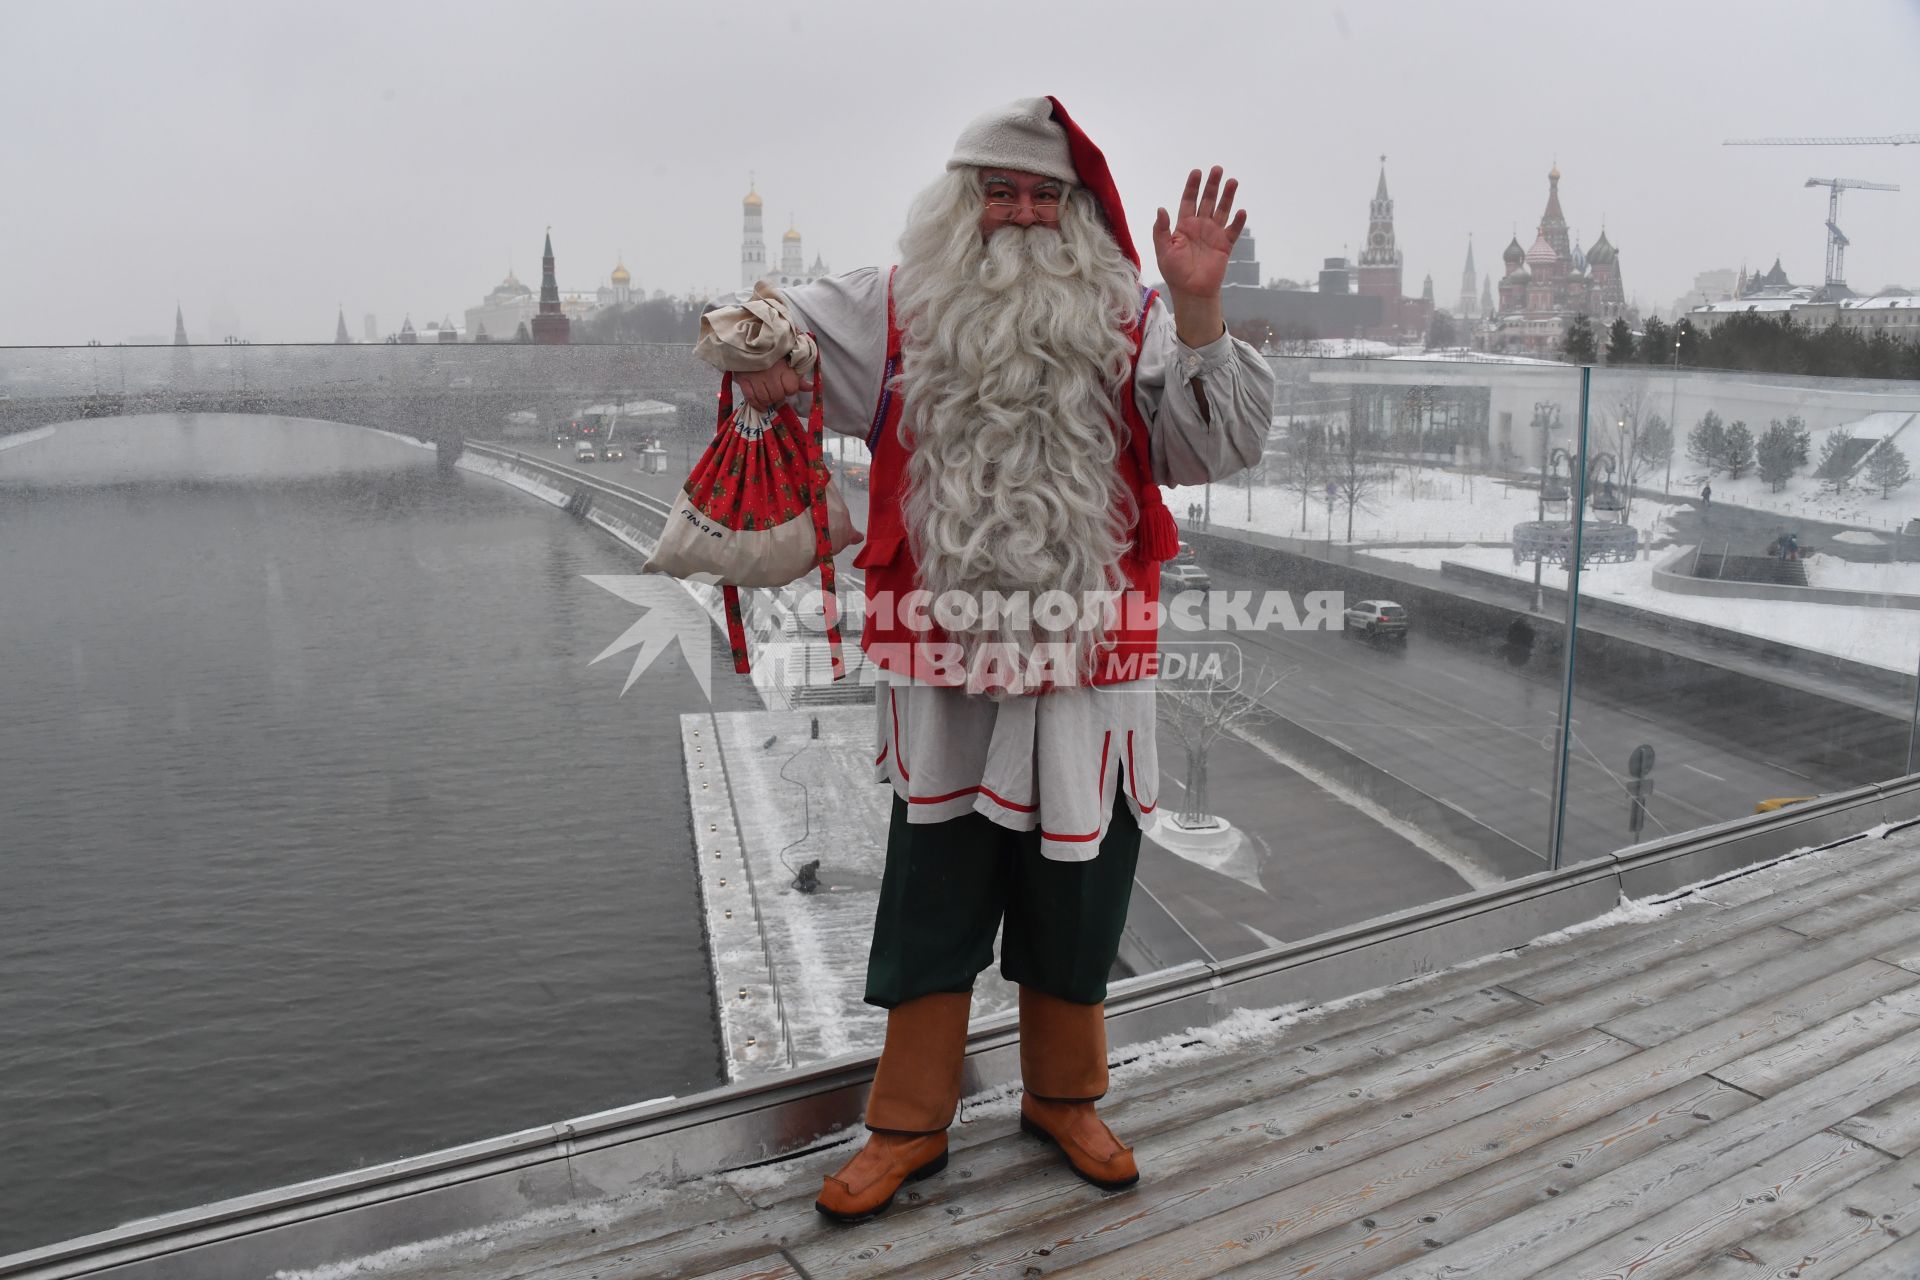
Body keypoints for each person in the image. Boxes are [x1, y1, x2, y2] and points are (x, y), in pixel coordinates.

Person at [696, 96, 1272, 1222]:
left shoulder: (1135, 313)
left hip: (1090, 650)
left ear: (1072, 210)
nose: (1018, 214)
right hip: (947, 652)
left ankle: (1065, 1096)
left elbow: (1219, 443)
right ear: (963, 201)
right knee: (935, 881)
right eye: (998, 191)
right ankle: (907, 1121)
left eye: (1041, 195)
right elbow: (760, 324)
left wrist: (1200, 305)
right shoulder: (898, 300)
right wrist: (761, 360)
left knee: (1081, 877)